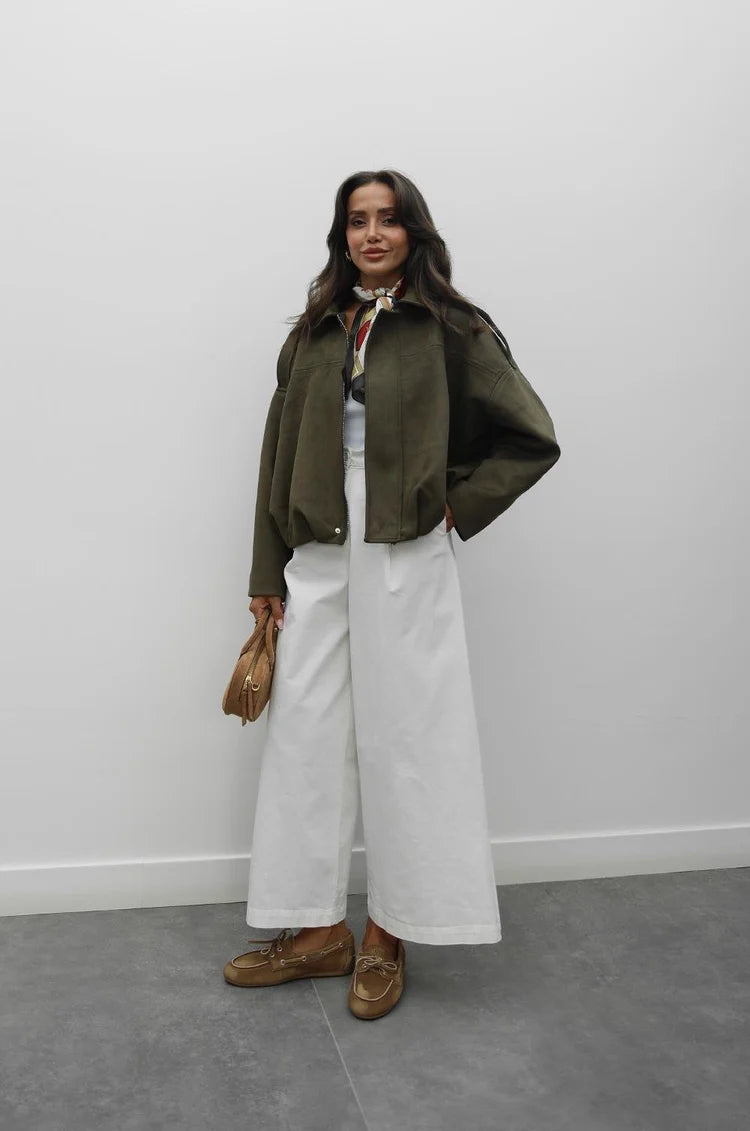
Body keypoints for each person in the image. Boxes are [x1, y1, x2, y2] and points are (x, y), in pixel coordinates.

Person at [223, 168, 562, 1020]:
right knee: (305, 735)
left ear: (414, 231)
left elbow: (532, 437)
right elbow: (274, 456)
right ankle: (316, 929)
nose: (371, 234)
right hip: (317, 546)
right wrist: (266, 574)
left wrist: (454, 506)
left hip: (406, 546)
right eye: (356, 220)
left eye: (387, 219)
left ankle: (390, 933)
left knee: (407, 737)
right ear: (341, 236)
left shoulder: (452, 327)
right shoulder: (314, 332)